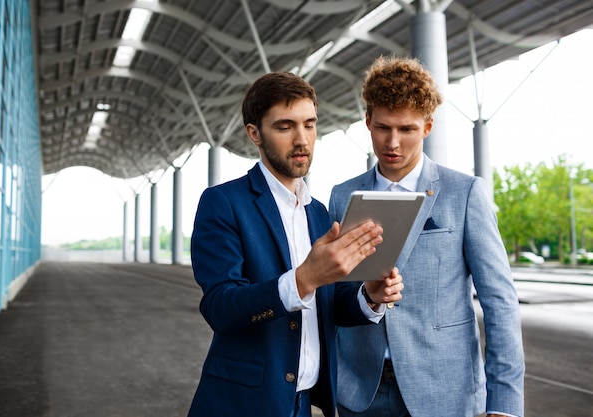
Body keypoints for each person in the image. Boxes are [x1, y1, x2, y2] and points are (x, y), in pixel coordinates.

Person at [187, 71, 404, 417]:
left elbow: (328, 305)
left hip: (303, 404)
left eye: (310, 124)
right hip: (242, 404)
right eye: (285, 127)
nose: (302, 140)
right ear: (254, 134)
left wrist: (368, 296)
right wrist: (303, 279)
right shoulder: (223, 203)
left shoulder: (318, 213)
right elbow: (220, 308)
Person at [329, 56, 525, 417]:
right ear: (367, 121)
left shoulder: (464, 193)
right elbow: (334, 294)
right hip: (359, 393)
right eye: (383, 127)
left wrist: (504, 404)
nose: (393, 143)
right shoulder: (342, 196)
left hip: (444, 390)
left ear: (428, 126)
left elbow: (499, 300)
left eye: (407, 129)